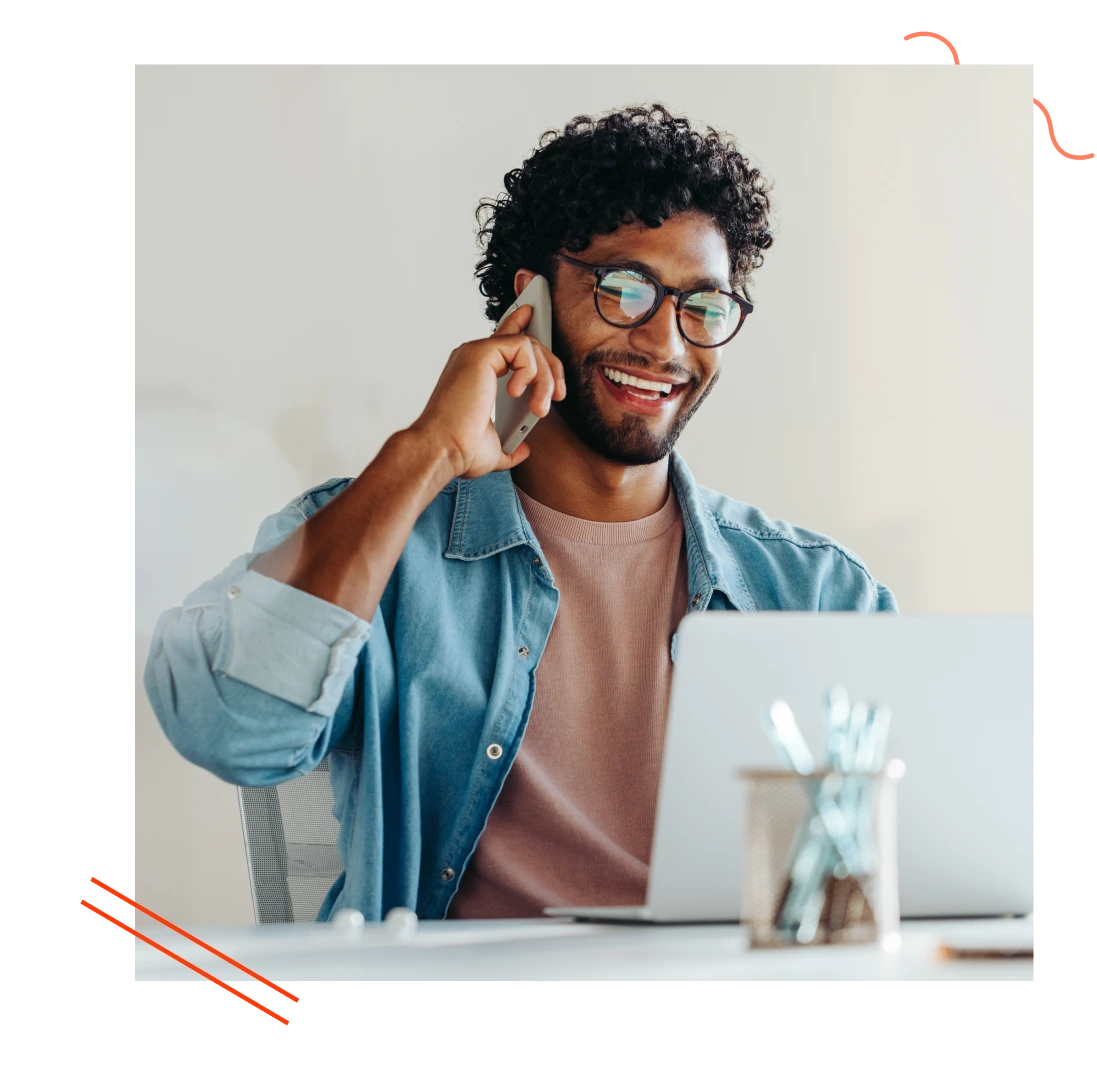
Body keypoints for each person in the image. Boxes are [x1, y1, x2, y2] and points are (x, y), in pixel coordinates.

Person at [145, 104, 896, 923]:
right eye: (624, 290)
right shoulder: (382, 539)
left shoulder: (818, 591)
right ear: (529, 301)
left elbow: (906, 869)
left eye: (702, 306)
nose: (667, 345)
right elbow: (230, 728)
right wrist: (424, 450)